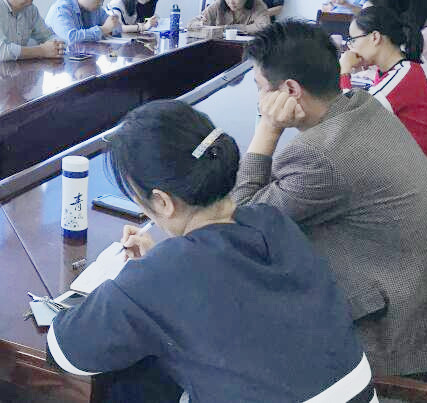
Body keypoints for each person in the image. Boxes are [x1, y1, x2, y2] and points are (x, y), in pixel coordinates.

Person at [48, 101, 376, 403]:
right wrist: (156, 271)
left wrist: (133, 282)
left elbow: (65, 352)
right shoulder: (272, 221)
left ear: (162, 202)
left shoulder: (160, 275)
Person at [231, 21, 427, 377]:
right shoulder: (362, 106)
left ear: (290, 90)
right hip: (426, 307)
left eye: (260, 88)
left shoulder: (320, 156)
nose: (259, 100)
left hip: (396, 338)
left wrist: (267, 128)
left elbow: (244, 223)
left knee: (238, 313)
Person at [339, 5, 427, 158]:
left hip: (408, 166)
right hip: (395, 156)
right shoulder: (394, 69)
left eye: (353, 40)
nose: (351, 48)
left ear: (375, 37)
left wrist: (344, 72)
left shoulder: (404, 75)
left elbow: (348, 118)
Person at [45, 0, 121, 44]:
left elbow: (117, 27)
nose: (101, 4)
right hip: (63, 53)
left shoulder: (95, 8)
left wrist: (110, 27)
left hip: (87, 52)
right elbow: (71, 38)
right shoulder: (61, 9)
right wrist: (103, 29)